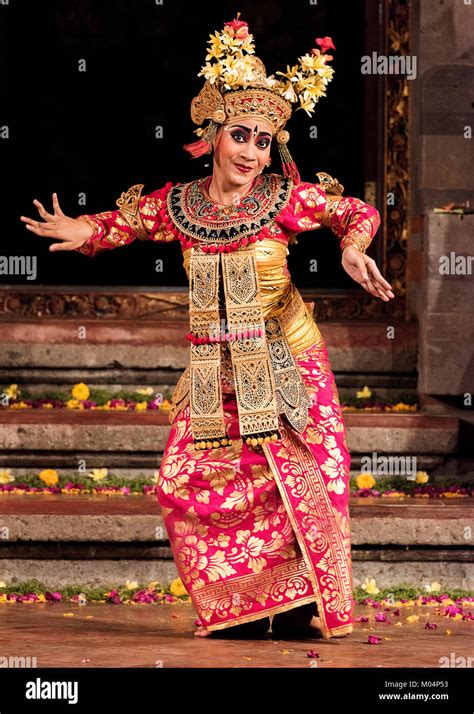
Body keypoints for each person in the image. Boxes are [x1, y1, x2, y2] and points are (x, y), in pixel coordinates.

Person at [20, 15, 394, 640]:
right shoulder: (181, 205)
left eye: (264, 141)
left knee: (309, 480)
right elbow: (127, 221)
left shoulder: (284, 200)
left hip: (287, 364)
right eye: (240, 136)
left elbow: (353, 209)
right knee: (182, 483)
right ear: (213, 136)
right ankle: (244, 601)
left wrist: (354, 246)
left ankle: (302, 601)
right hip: (214, 369)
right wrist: (86, 230)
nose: (252, 152)